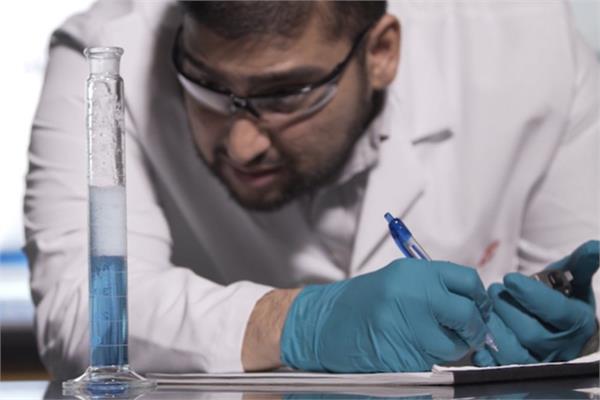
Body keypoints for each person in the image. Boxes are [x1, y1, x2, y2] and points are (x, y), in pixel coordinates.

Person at [25, 0, 599, 379]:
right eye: (206, 85)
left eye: (288, 93)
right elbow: (81, 314)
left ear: (381, 53)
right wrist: (298, 321)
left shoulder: (529, 45)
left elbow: (573, 285)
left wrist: (577, 334)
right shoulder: (105, 53)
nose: (243, 144)